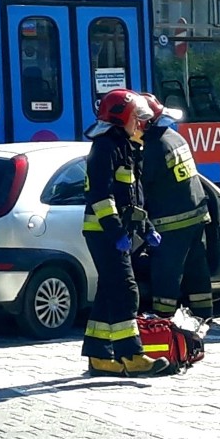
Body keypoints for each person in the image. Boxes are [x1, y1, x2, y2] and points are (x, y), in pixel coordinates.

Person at [81, 89, 171, 377]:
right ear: (122, 117)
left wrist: (146, 229)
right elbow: (101, 196)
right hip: (104, 233)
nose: (141, 124)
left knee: (109, 291)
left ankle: (98, 356)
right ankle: (131, 355)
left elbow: (131, 199)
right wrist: (116, 231)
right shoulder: (105, 148)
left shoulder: (124, 147)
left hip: (117, 232)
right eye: (137, 118)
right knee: (125, 291)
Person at [139, 92, 213, 320]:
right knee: (197, 270)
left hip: (172, 222)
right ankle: (204, 314)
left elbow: (142, 185)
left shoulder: (152, 148)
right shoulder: (174, 137)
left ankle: (163, 320)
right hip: (197, 216)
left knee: (167, 273)